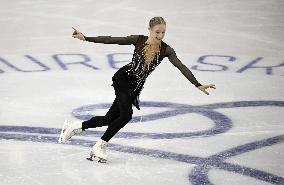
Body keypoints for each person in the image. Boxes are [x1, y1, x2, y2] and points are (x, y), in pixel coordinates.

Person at [58, 17, 216, 162]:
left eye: (163, 32)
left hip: (135, 86)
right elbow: (110, 40)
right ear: (150, 29)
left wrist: (197, 84)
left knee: (109, 119)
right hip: (123, 79)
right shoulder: (138, 40)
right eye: (157, 32)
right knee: (126, 115)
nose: (160, 36)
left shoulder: (166, 50)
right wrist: (86, 38)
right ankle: (99, 145)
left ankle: (76, 126)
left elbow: (181, 66)